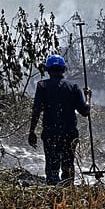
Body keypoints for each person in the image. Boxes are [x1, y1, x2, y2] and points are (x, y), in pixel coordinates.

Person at [28, 54, 91, 186]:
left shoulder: (42, 86)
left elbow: (36, 110)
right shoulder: (73, 87)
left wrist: (32, 131)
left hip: (51, 134)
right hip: (69, 134)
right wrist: (88, 97)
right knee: (68, 167)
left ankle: (53, 196)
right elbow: (85, 111)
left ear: (47, 70)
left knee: (52, 168)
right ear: (63, 69)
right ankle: (68, 196)